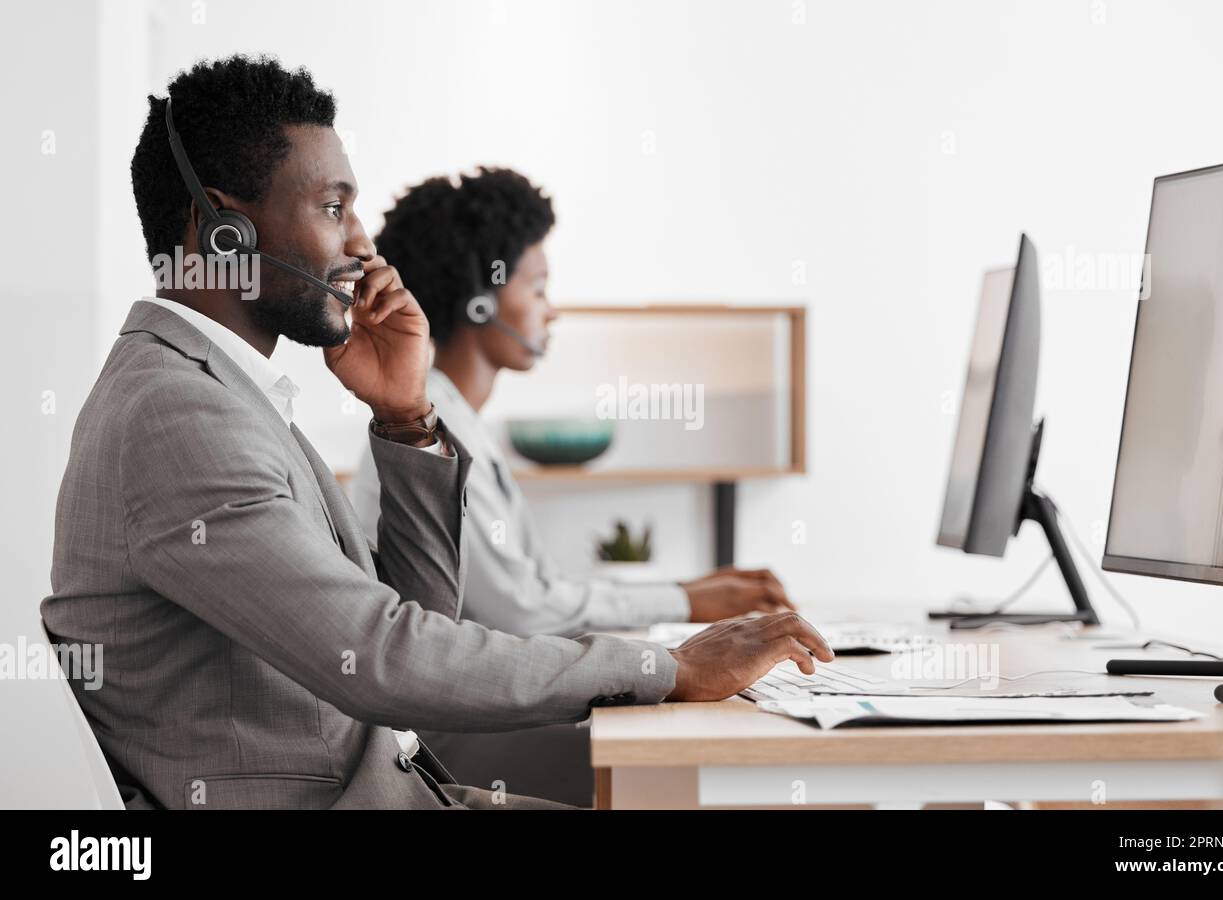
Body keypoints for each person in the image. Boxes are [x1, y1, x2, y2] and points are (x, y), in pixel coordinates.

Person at [39, 55, 832, 810]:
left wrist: (406, 419)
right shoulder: (178, 414)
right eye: (332, 206)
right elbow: (382, 656)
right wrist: (666, 667)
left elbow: (411, 618)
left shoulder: (221, 395)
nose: (362, 243)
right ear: (225, 235)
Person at [345, 168, 799, 804]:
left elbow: (535, 595)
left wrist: (687, 596)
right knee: (716, 762)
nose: (550, 308)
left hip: (470, 718)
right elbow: (526, 613)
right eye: (537, 287)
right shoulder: (434, 430)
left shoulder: (456, 419)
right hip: (447, 745)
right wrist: (683, 601)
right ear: (481, 300)